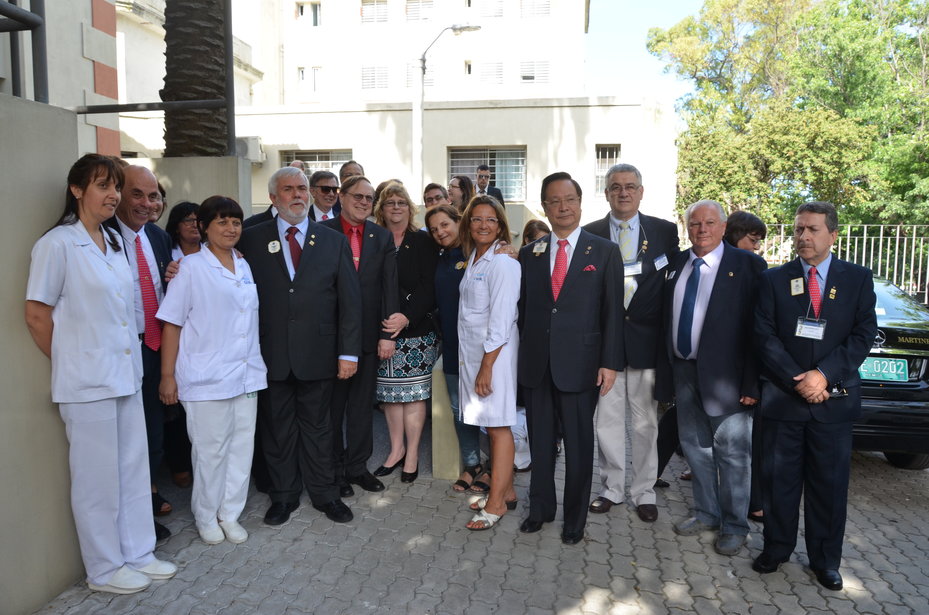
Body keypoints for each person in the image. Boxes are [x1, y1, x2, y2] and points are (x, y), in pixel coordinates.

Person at [25, 154, 176, 594]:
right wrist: (74, 359)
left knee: (131, 469)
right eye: (102, 186)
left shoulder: (112, 243)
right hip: (87, 382)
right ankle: (104, 569)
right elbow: (37, 315)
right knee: (96, 480)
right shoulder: (56, 244)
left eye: (115, 187)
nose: (112, 196)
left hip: (125, 375)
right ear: (77, 190)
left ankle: (138, 553)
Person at [752, 201, 876, 591]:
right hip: (785, 401)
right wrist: (798, 379)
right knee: (779, 482)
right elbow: (763, 335)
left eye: (812, 230)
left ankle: (825, 560)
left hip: (833, 402)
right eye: (798, 229)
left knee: (829, 485)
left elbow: (863, 334)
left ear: (833, 235)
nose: (803, 237)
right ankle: (777, 548)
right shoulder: (774, 279)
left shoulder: (857, 278)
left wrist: (822, 376)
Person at [237, 166, 363, 526]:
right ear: (274, 198)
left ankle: (325, 494)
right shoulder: (251, 238)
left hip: (319, 354)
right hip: (271, 353)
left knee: (320, 428)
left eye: (302, 189)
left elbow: (350, 302)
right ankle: (283, 496)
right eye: (288, 190)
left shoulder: (331, 240)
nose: (297, 195)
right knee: (277, 431)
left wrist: (348, 352)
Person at [517, 171, 624, 545]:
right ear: (544, 206)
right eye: (554, 201)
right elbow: (526, 310)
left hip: (581, 366)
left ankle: (574, 519)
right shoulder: (530, 253)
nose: (562, 207)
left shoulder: (605, 251)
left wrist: (609, 363)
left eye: (569, 199)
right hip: (536, 365)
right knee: (540, 442)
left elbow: (612, 312)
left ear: (580, 203)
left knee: (579, 448)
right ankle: (540, 508)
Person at [657, 200, 766, 556]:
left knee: (733, 454)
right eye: (694, 224)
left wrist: (752, 383)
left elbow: (759, 330)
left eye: (709, 223)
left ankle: (735, 526)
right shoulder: (677, 264)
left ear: (722, 227)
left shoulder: (748, 265)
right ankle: (706, 512)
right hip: (684, 371)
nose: (701, 230)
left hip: (728, 378)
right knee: (695, 448)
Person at [157, 196, 267, 545]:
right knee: (209, 450)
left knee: (241, 447)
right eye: (222, 222)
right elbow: (172, 324)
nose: (231, 228)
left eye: (235, 221)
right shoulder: (190, 268)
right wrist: (167, 375)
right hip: (206, 377)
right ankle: (206, 515)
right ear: (204, 227)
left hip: (246, 373)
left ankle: (229, 513)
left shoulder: (244, 265)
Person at [583, 163, 680, 522]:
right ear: (607, 193)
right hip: (605, 347)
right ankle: (611, 488)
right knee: (606, 422)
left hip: (646, 344)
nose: (623, 192)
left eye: (630, 186)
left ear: (641, 192)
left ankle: (643, 491)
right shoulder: (590, 233)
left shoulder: (665, 231)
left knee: (644, 424)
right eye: (616, 187)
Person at [105, 165, 175, 540]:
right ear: (117, 194)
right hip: (121, 349)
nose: (146, 204)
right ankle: (132, 513)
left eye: (153, 196)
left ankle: (146, 499)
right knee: (125, 435)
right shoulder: (102, 237)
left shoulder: (158, 238)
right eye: (137, 194)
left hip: (154, 346)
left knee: (151, 430)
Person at [321, 175, 398, 497]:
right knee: (332, 409)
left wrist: (387, 334)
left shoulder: (381, 236)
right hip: (332, 339)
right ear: (341, 196)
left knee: (361, 407)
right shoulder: (322, 233)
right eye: (358, 196)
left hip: (369, 337)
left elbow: (388, 286)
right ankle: (335, 470)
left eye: (369, 198)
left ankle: (357, 467)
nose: (364, 202)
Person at [457, 196, 521, 530]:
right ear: (468, 224)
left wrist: (486, 366)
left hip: (494, 357)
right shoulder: (476, 257)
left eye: (491, 220)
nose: (483, 225)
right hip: (477, 356)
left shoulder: (502, 262)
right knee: (489, 425)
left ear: (501, 226)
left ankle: (496, 505)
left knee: (498, 427)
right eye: (477, 219)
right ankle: (506, 490)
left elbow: (501, 318)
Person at [373, 182, 439, 484]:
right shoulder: (374, 239)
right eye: (390, 203)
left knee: (412, 397)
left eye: (401, 202)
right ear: (381, 209)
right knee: (390, 397)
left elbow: (430, 286)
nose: (396, 207)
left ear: (409, 208)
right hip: (382, 331)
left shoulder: (423, 241)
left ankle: (412, 453)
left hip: (416, 332)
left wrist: (406, 317)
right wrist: (387, 323)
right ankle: (396, 449)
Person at [427, 204, 485, 491]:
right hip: (451, 346)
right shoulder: (440, 257)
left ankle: (497, 468)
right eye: (434, 229)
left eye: (444, 225)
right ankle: (473, 464)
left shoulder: (479, 251)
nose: (440, 232)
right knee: (458, 409)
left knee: (488, 409)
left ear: (458, 221)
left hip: (481, 347)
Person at [724, 209, 768, 523]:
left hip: (741, 375)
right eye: (753, 240)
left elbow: (758, 330)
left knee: (743, 446)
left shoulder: (755, 267)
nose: (756, 247)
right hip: (710, 373)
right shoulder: (707, 261)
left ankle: (750, 505)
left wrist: (751, 382)